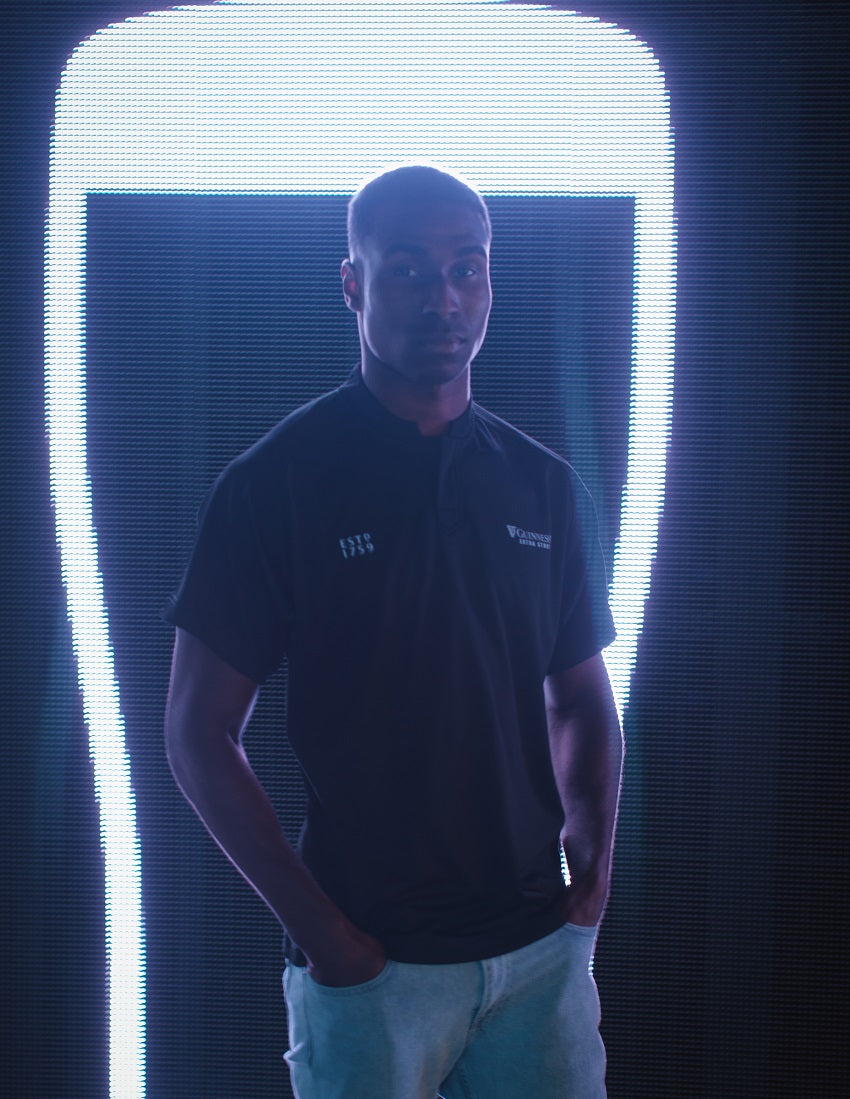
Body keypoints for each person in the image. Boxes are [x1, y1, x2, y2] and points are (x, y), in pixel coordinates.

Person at [164, 164, 623, 1098]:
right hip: (373, 971)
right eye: (409, 270)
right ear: (353, 284)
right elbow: (195, 733)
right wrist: (332, 940)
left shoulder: (539, 485)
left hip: (538, 958)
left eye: (469, 269)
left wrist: (593, 882)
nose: (445, 298)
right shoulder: (276, 486)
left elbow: (579, 696)